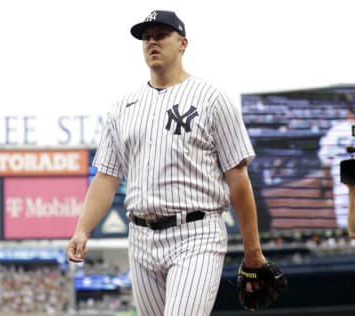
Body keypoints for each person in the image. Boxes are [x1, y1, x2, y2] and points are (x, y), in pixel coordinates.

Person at [67, 10, 267, 315]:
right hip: (141, 238)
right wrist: (82, 230)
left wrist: (253, 251)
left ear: (183, 43)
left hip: (196, 233)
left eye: (161, 35)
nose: (152, 42)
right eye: (146, 37)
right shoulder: (123, 107)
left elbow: (238, 177)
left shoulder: (211, 98)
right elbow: (106, 177)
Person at [318, 101, 355, 238]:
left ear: (348, 111)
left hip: (342, 190)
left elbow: (326, 163)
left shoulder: (335, 132)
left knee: (346, 234)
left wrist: (325, 189)